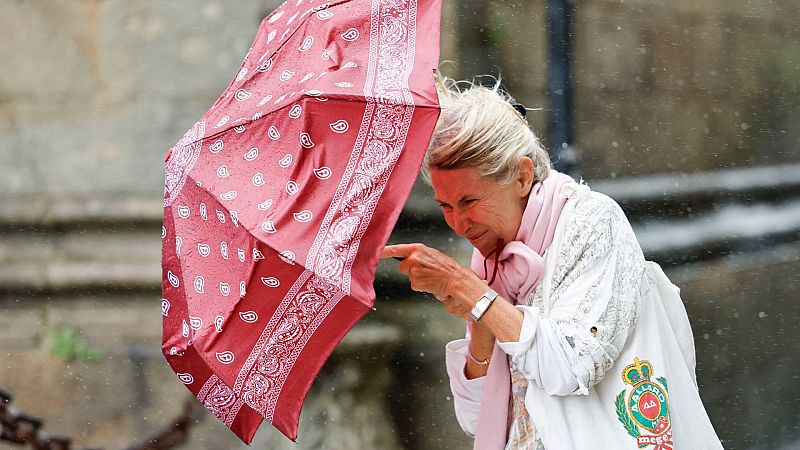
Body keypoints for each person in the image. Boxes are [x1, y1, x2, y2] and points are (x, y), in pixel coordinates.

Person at [381, 79, 723, 450]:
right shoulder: (491, 260)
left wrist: (471, 292)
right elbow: (477, 419)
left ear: (522, 176)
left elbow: (570, 369)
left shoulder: (592, 220)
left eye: (470, 201)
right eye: (445, 207)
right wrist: (481, 322)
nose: (459, 224)